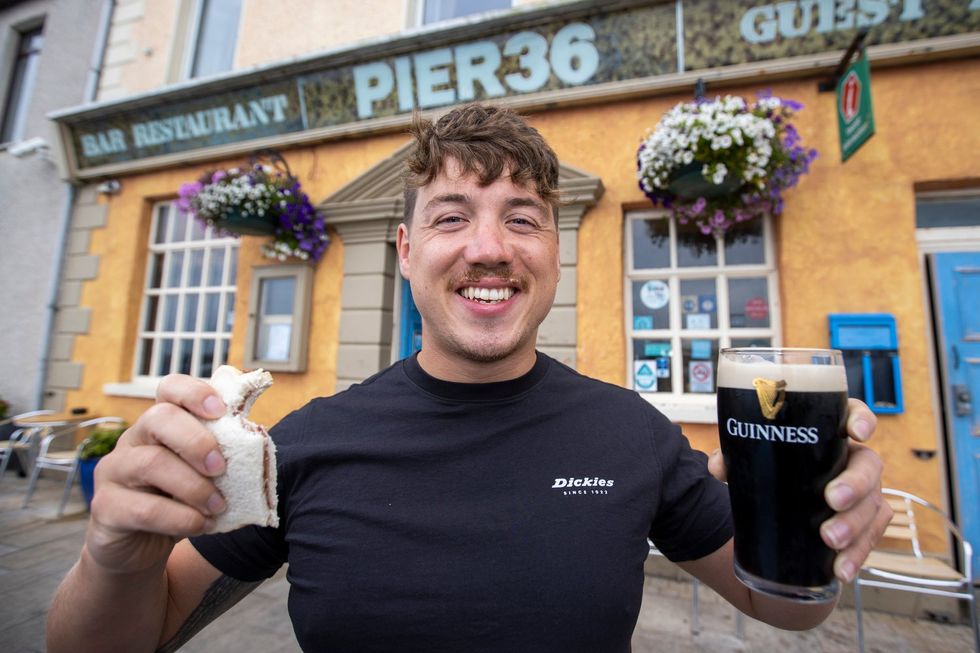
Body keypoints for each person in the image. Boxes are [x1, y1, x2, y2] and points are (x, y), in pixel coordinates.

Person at [47, 104, 891, 652]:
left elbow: (786, 605)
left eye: (522, 218)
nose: (489, 247)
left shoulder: (632, 434)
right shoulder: (300, 444)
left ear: (552, 255)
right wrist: (116, 557)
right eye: (451, 217)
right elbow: (123, 636)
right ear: (407, 252)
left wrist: (825, 532)